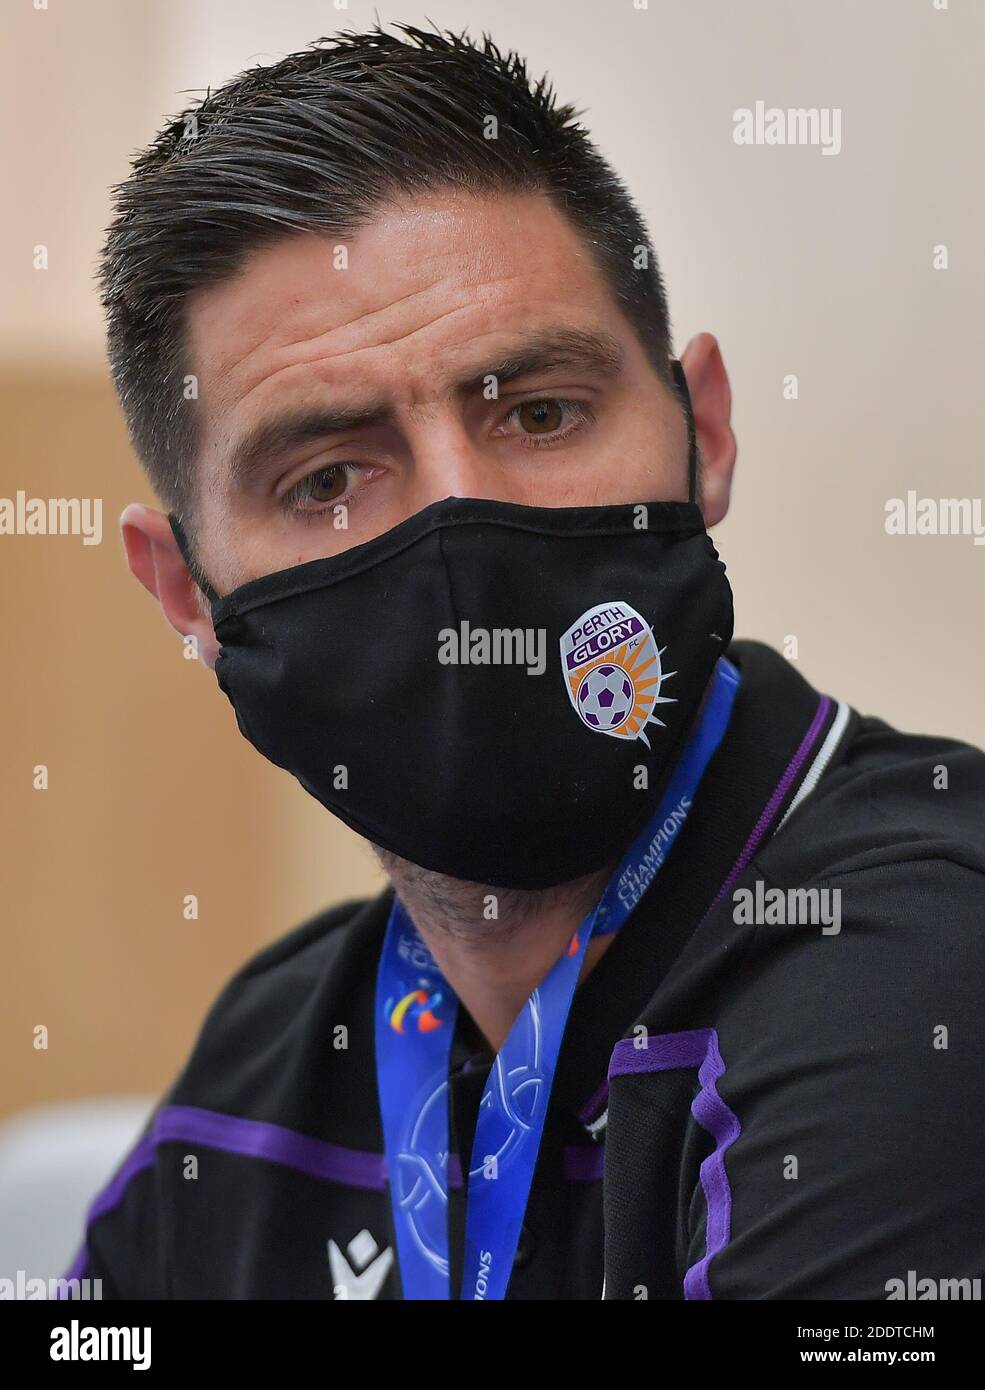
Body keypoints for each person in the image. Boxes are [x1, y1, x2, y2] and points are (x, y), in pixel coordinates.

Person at [61, 23, 985, 1300]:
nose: (461, 523)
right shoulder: (270, 1062)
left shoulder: (919, 970)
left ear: (701, 432)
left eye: (538, 412)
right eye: (327, 478)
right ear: (189, 594)